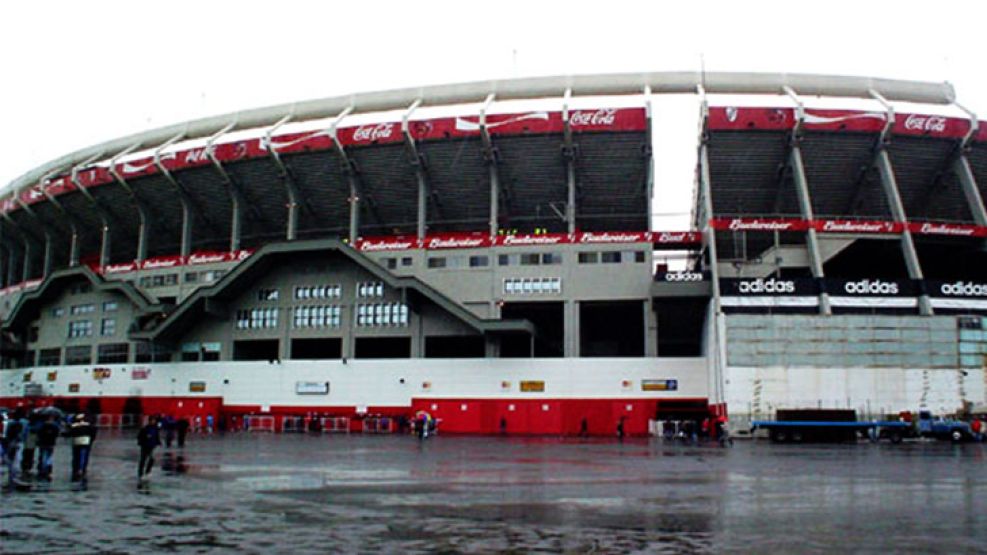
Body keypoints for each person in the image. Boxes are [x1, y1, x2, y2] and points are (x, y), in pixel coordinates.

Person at [3, 408, 28, 488]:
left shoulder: (10, 423)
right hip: (18, 443)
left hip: (11, 443)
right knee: (17, 459)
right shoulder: (24, 423)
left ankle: (12, 475)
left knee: (11, 459)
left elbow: (7, 434)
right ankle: (14, 475)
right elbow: (25, 433)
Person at [67, 413, 97, 482]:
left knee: (76, 456)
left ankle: (76, 469)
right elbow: (93, 433)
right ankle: (82, 468)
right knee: (84, 456)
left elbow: (69, 433)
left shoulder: (74, 426)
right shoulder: (88, 425)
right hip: (86, 442)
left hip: (76, 442)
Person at [35, 414, 61, 481]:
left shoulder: (42, 426)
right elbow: (57, 434)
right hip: (51, 443)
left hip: (43, 443)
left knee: (43, 456)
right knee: (49, 457)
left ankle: (43, 469)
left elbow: (38, 433)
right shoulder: (55, 426)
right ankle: (48, 469)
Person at [21, 412, 42, 478]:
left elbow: (24, 433)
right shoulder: (38, 424)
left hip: (27, 441)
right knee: (31, 454)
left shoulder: (27, 423)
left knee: (26, 455)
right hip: (32, 441)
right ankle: (28, 468)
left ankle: (25, 468)